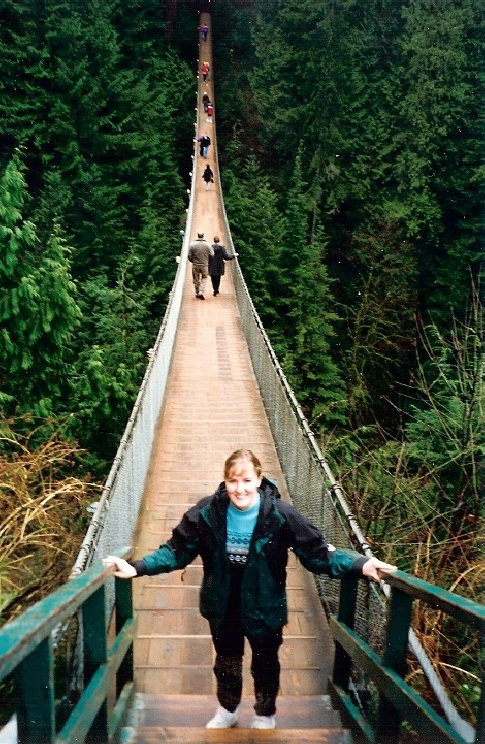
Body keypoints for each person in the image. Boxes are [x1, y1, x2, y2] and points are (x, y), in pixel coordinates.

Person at [103, 449, 397, 731]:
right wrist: (137, 567)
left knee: (266, 663)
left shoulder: (281, 515)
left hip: (265, 605)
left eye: (246, 481)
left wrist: (361, 565)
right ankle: (227, 710)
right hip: (223, 602)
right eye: (233, 481)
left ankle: (265, 713)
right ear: (225, 481)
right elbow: (176, 551)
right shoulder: (207, 512)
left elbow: (318, 554)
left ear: (259, 479)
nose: (239, 489)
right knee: (227, 661)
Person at [187, 231, 213, 299]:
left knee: (196, 279)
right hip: (204, 265)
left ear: (198, 235)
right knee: (204, 278)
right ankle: (201, 292)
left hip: (195, 265)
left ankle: (197, 292)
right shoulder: (208, 245)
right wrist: (208, 260)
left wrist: (192, 261)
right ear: (203, 236)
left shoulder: (192, 245)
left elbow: (189, 255)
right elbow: (212, 254)